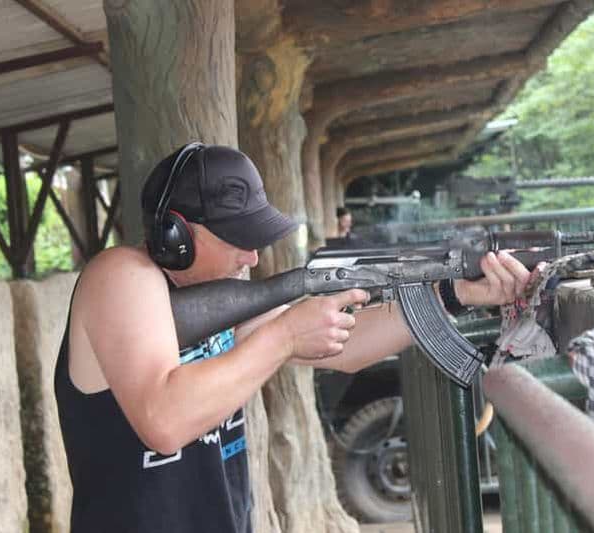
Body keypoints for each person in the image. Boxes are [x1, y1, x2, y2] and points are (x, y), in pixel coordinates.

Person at [54, 143, 530, 533]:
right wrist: (283, 336)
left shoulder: (220, 300)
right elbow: (164, 421)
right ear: (175, 233)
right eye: (237, 237)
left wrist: (455, 293)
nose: (253, 257)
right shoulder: (121, 276)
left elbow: (346, 348)